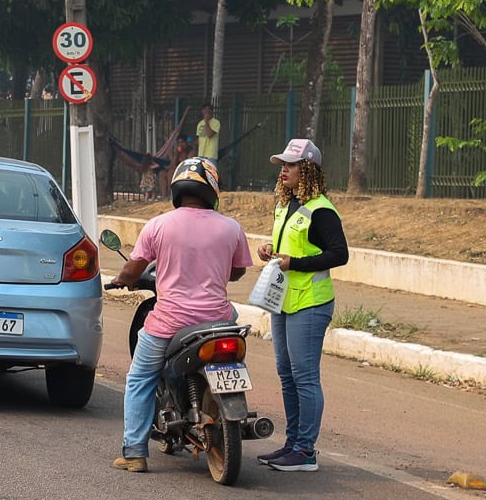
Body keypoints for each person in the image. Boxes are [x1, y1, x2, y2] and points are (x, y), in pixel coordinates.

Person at [108, 158, 252, 472]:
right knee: (234, 323)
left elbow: (136, 266)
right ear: (212, 188)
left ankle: (134, 452)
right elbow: (238, 271)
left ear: (176, 187)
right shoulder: (231, 227)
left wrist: (123, 279)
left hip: (169, 323)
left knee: (139, 379)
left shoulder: (159, 224)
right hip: (219, 320)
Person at [255, 139, 347, 472]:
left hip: (310, 302)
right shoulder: (285, 205)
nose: (283, 170)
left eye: (290, 165)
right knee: (286, 374)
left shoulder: (321, 209)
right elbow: (289, 246)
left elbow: (339, 254)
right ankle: (292, 443)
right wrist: (270, 250)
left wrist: (295, 262)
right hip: (283, 299)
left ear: (306, 169)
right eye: (282, 164)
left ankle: (306, 450)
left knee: (305, 377)